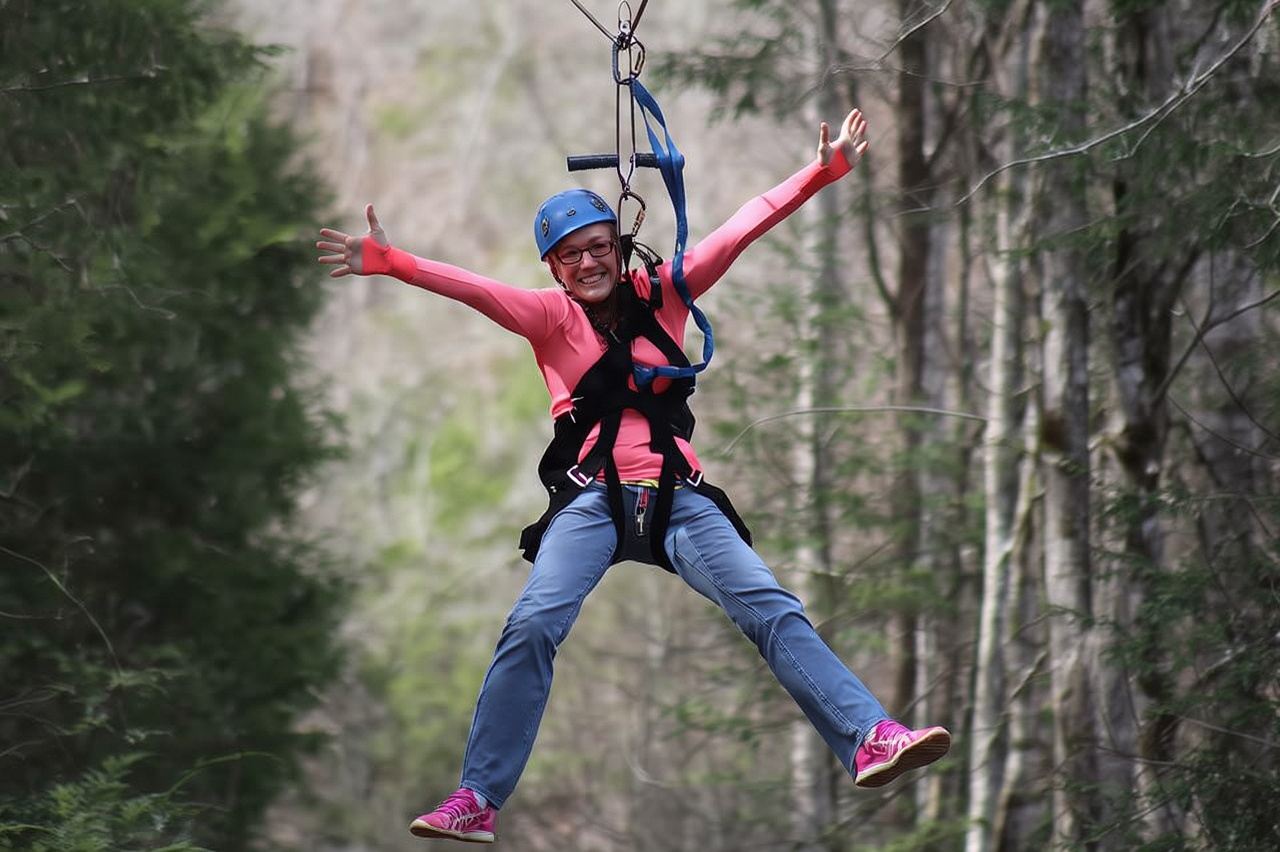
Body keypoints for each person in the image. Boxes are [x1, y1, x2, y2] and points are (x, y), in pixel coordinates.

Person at [316, 107, 950, 845]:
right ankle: (478, 798)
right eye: (572, 255)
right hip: (588, 505)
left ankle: (869, 735)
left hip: (679, 501)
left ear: (619, 248)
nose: (589, 264)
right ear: (553, 267)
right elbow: (475, 289)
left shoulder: (667, 295)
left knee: (770, 607)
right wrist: (395, 263)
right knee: (532, 624)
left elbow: (741, 228)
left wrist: (822, 169)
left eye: (599, 249)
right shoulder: (548, 319)